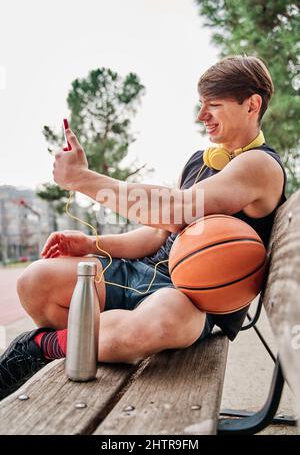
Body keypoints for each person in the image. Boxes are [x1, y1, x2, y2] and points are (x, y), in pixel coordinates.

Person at [0, 55, 286, 401]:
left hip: (190, 296)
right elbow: (157, 232)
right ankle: (103, 340)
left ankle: (42, 346)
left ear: (252, 104)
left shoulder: (259, 166)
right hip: (141, 272)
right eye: (200, 105)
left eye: (214, 105)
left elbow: (177, 210)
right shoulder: (199, 161)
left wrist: (82, 179)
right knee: (36, 280)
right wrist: (90, 242)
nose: (201, 116)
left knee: (157, 323)